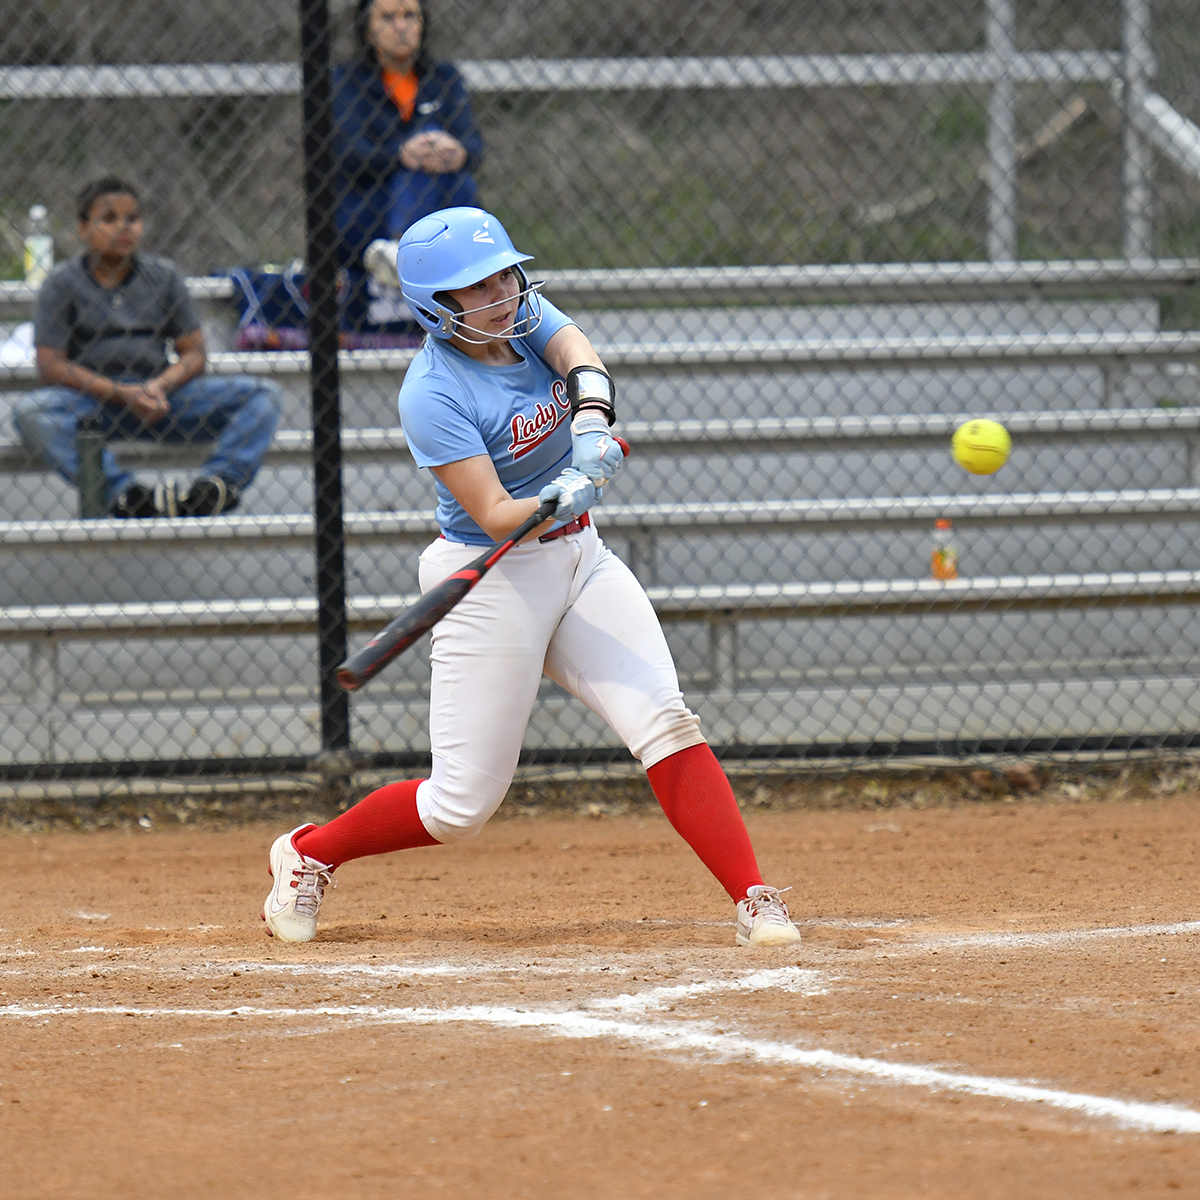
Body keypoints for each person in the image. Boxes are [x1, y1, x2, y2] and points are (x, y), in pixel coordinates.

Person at [261, 206, 801, 949]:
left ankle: (752, 895)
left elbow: (576, 348)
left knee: (665, 720)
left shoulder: (521, 313)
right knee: (459, 808)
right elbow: (491, 513)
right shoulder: (432, 393)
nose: (502, 297)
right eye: (475, 291)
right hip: (493, 578)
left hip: (580, 558)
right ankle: (310, 852)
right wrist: (561, 494)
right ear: (434, 308)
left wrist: (590, 419)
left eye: (505, 278)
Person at [13, 177, 281, 517]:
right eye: (109, 218)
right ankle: (126, 495)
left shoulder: (164, 276)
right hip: (95, 406)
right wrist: (123, 393)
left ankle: (214, 487)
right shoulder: (62, 283)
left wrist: (159, 385)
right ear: (83, 228)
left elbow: (194, 353)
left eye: (133, 218)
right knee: (33, 411)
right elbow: (51, 366)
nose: (124, 227)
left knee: (263, 395)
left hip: (163, 401)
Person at [334, 0, 483, 330]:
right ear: (367, 27)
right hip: (369, 208)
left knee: (456, 179)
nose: (400, 26)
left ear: (422, 23)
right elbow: (350, 154)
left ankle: (402, 251)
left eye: (409, 16)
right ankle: (439, 257)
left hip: (440, 203)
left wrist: (455, 152)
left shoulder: (444, 77)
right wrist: (402, 155)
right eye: (387, 17)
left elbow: (473, 147)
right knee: (421, 172)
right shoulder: (346, 81)